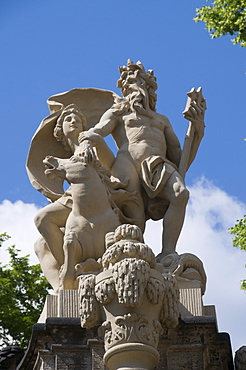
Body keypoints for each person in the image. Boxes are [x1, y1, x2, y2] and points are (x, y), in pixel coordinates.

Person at [79, 60, 205, 259]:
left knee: (180, 194)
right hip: (126, 163)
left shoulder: (161, 120)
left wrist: (197, 131)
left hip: (156, 164)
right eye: (128, 86)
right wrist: (86, 139)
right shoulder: (118, 112)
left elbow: (182, 160)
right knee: (133, 218)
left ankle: (168, 252)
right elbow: (99, 130)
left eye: (136, 83)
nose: (132, 89)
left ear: (148, 88)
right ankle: (126, 257)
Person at [34, 104, 115, 292]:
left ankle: (71, 270)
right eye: (68, 120)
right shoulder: (70, 153)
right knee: (41, 243)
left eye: (78, 120)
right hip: (73, 197)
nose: (73, 122)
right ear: (60, 129)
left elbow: (111, 164)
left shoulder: (88, 143)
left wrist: (95, 141)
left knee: (43, 219)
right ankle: (66, 278)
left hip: (98, 195)